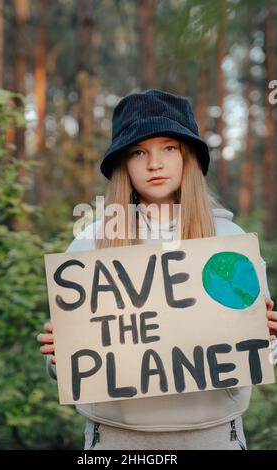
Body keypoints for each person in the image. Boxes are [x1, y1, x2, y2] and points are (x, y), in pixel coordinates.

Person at [37, 89, 276, 450]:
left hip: (215, 438)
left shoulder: (229, 240)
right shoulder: (89, 245)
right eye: (138, 152)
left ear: (189, 158)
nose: (154, 163)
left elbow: (264, 358)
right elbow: (69, 371)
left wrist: (268, 336)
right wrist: (60, 352)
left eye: (169, 148)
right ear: (123, 164)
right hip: (115, 442)